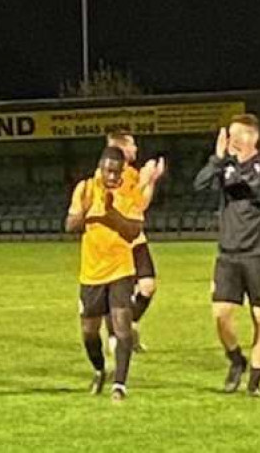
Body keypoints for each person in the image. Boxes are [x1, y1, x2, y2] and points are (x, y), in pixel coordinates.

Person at [194, 113, 260, 397]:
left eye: (236, 134)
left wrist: (244, 176)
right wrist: (217, 160)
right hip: (228, 252)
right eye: (229, 135)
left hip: (259, 252)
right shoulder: (225, 165)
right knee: (220, 315)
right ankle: (235, 359)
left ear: (252, 136)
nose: (231, 140)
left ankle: (255, 381)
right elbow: (200, 184)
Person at [65, 146, 150, 402]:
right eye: (108, 171)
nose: (112, 177)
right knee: (89, 331)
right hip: (91, 273)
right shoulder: (86, 188)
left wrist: (111, 213)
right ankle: (100, 370)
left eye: (117, 172)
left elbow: (133, 231)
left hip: (121, 270)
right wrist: (85, 211)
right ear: (100, 169)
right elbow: (70, 226)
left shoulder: (130, 192)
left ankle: (120, 385)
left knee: (122, 325)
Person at [102, 127, 165, 353]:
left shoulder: (131, 172)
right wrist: (144, 180)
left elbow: (140, 204)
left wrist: (151, 181)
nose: (135, 148)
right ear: (120, 147)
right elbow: (120, 206)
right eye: (131, 144)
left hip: (136, 237)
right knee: (117, 290)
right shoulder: (110, 174)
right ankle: (115, 337)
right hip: (117, 240)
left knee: (147, 286)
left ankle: (129, 325)